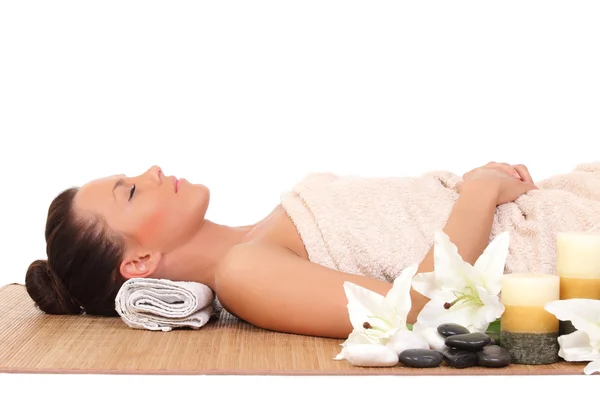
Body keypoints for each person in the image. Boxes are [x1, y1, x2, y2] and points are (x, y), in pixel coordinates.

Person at [24, 161, 600, 339]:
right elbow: (417, 313)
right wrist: (479, 191)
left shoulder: (263, 232)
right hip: (564, 253)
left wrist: (479, 186)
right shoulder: (244, 273)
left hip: (564, 205)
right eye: (130, 191)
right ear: (138, 263)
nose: (151, 170)